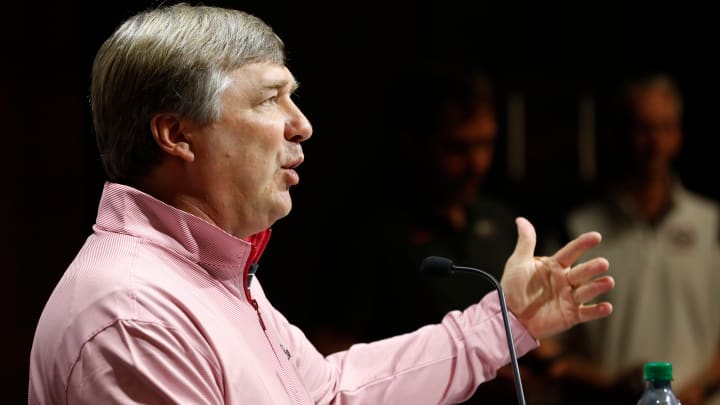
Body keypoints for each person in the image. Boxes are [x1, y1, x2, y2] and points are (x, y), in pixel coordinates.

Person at [28, 3, 615, 404]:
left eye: (295, 98)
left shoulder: (212, 273)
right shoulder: (134, 316)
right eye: (270, 100)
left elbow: (328, 394)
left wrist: (503, 323)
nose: (302, 125)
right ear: (176, 135)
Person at [544, 73, 720, 405]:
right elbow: (544, 345)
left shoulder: (712, 224)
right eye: (642, 128)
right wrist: (609, 386)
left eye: (664, 128)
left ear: (678, 136)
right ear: (616, 136)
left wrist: (699, 389)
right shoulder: (578, 230)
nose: (653, 143)